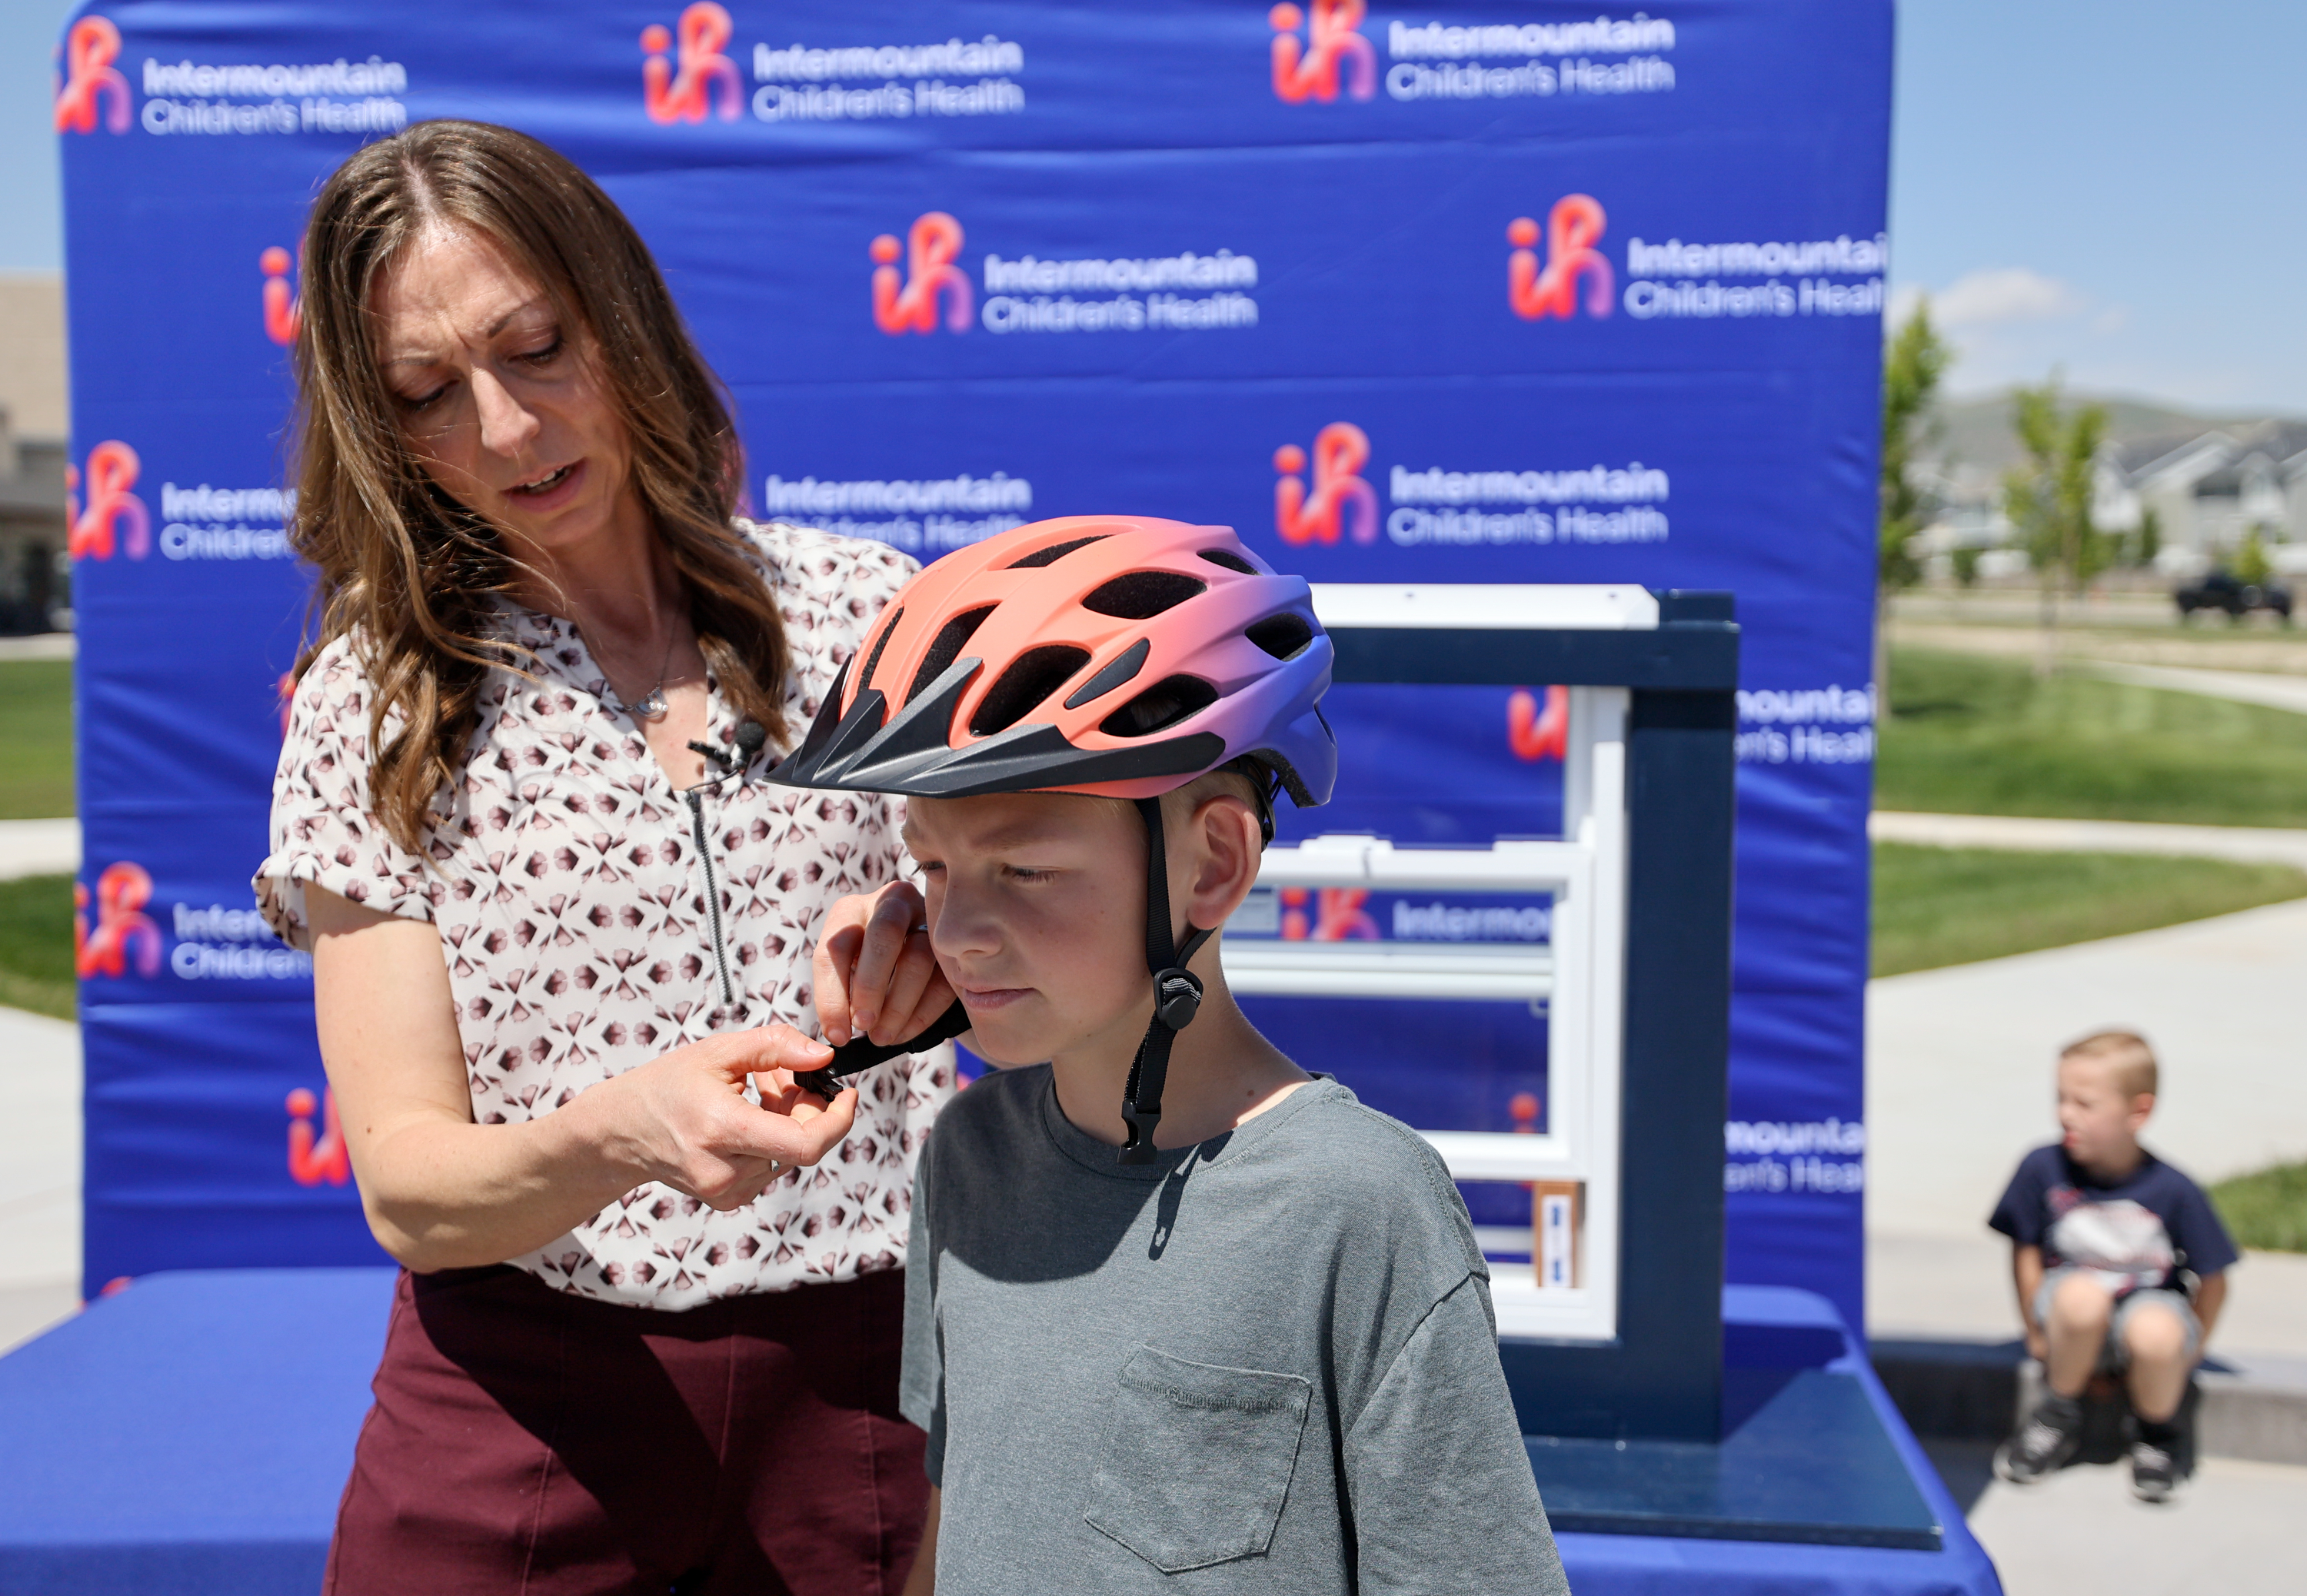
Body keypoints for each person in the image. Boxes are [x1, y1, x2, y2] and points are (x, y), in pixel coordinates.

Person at [254, 120, 949, 1592]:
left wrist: (945, 949)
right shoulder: (373, 704)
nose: (506, 431)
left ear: (622, 319)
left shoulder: (868, 615)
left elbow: (1049, 946)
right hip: (522, 1416)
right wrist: (622, 1135)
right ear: (379, 433)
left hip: (865, 1399)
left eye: (537, 347)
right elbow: (410, 1187)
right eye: (429, 394)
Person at [794, 515, 1570, 1594]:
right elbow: (954, 1515)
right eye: (932, 867)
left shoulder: (1359, 1207)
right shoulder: (967, 1157)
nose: (959, 929)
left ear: (1212, 865)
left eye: (1023, 870)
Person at [1989, 1030, 2237, 1504]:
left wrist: (2190, 1350)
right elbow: (2023, 1251)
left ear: (2138, 1112)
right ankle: (2057, 1413)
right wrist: (2034, 1331)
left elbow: (2215, 1277)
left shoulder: (2173, 1189)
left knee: (2157, 1330)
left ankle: (2158, 1432)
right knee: (2082, 1296)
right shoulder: (2042, 1168)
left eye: (2084, 1103)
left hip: (2145, 1311)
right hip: (2070, 1318)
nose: (2065, 1114)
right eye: (2061, 1098)